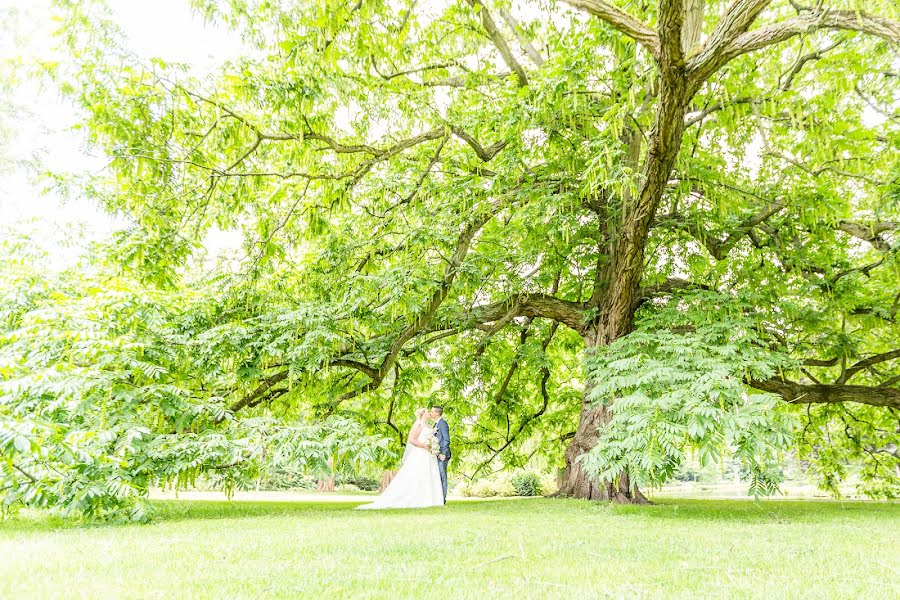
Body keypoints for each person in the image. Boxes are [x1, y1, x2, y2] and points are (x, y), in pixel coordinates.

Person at [355, 408, 444, 510]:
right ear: (423, 414)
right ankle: (416, 498)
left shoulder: (429, 425)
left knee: (428, 474)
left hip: (429, 454)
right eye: (428, 411)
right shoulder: (419, 424)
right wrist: (425, 446)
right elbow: (412, 440)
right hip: (420, 453)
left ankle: (430, 499)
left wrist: (432, 446)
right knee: (418, 475)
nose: (429, 413)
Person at [430, 405, 451, 504]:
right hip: (437, 453)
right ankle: (438, 497)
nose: (431, 413)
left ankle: (443, 499)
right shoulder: (436, 424)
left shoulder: (443, 423)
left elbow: (446, 439)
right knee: (437, 476)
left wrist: (443, 453)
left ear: (437, 413)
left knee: (442, 476)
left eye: (432, 412)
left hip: (443, 454)